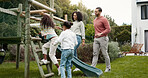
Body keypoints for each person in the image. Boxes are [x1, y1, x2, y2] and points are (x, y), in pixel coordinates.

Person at [91, 7, 111, 72]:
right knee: (95, 53)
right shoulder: (95, 20)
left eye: (96, 11)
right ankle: (93, 67)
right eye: (95, 11)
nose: (95, 13)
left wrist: (101, 33)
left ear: (100, 12)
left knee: (104, 53)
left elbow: (108, 29)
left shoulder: (104, 19)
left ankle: (108, 68)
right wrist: (96, 35)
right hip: (96, 39)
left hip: (103, 38)